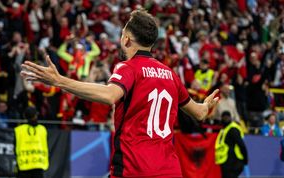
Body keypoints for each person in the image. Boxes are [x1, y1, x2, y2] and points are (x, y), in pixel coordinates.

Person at [21, 9, 219, 177]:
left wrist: (59, 80)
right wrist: (206, 105)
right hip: (170, 170)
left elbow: (109, 95)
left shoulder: (129, 68)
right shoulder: (171, 74)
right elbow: (200, 113)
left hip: (134, 169)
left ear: (126, 39)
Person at [14, 107, 49, 178]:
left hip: (23, 164)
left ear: (24, 116)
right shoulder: (42, 129)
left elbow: (15, 146)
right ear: (36, 115)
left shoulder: (19, 130)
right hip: (38, 163)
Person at [215, 111, 248, 178]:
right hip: (226, 161)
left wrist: (245, 158)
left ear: (230, 118)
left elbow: (241, 144)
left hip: (234, 161)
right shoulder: (224, 129)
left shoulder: (233, 129)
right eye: (224, 117)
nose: (225, 119)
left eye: (227, 117)